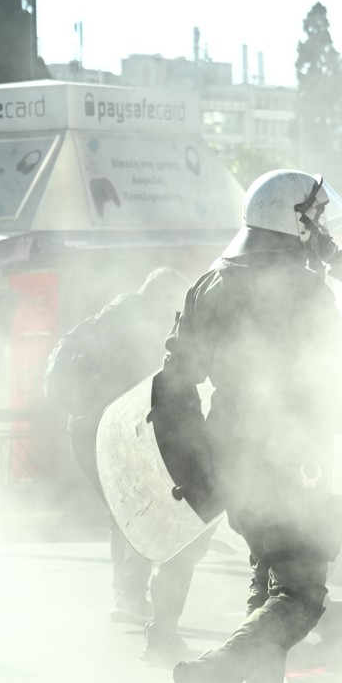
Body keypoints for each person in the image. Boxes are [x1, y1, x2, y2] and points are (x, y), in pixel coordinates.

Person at [157, 170, 342, 683]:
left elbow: (176, 380)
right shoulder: (304, 292)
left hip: (234, 457)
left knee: (268, 576)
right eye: (316, 219)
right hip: (291, 455)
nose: (323, 232)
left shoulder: (210, 283)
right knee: (302, 593)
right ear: (292, 219)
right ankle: (212, 677)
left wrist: (202, 463)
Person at [45, 268, 211, 662]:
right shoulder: (139, 327)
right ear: (161, 297)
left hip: (86, 429)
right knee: (137, 508)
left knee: (126, 508)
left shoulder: (109, 317)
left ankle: (128, 594)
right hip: (110, 430)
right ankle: (130, 596)